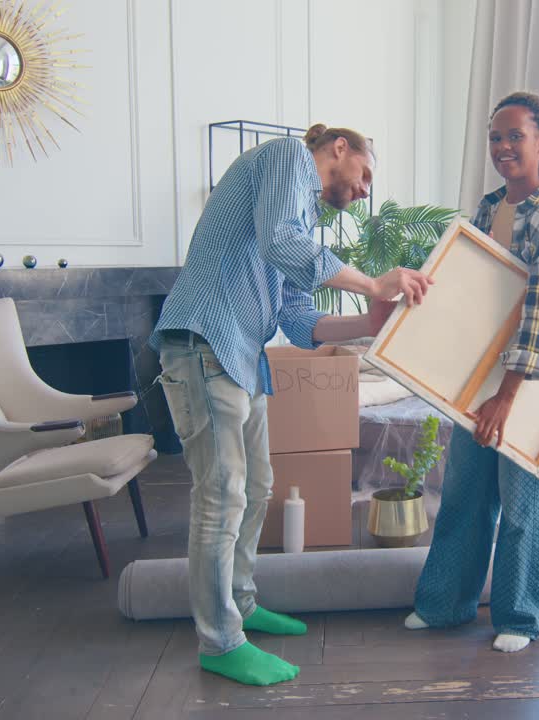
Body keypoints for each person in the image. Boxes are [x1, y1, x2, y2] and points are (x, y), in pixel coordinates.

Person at [151, 124, 430, 686]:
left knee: (256, 487)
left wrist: (369, 324)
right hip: (204, 342)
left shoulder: (304, 219)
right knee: (222, 495)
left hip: (240, 357)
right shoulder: (286, 158)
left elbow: (302, 324)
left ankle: (243, 605)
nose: (365, 190)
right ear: (339, 149)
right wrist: (375, 284)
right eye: (366, 173)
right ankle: (220, 641)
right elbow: (279, 241)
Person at [404, 91, 539, 652]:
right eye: (495, 137)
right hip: (481, 375)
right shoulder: (489, 208)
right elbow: (475, 297)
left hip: (531, 385)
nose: (503, 147)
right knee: (464, 490)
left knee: (522, 499)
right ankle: (444, 604)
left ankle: (521, 616)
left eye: (515, 136)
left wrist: (507, 397)